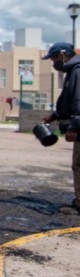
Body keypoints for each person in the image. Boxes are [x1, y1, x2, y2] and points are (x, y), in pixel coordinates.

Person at [41, 41, 80, 215]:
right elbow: (68, 101)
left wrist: (75, 127)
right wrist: (55, 116)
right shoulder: (73, 72)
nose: (54, 63)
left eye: (54, 58)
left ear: (63, 55)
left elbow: (79, 102)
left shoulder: (78, 71)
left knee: (79, 164)